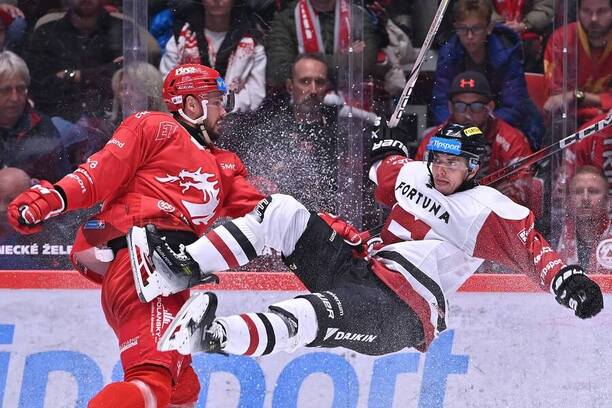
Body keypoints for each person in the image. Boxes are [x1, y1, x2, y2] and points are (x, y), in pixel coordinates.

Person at [126, 122, 603, 360]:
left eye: (453, 163)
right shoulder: (416, 174)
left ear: (474, 167)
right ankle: (180, 267)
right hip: (359, 264)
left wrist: (570, 281)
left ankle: (213, 337)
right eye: (437, 157)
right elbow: (386, 167)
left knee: (306, 313)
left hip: (399, 311)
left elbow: (537, 254)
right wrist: (386, 142)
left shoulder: (491, 213)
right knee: (284, 210)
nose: (441, 169)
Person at [6, 63, 264, 407]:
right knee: (152, 384)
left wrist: (328, 232)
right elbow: (98, 174)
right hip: (142, 267)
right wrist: (51, 199)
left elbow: (268, 215)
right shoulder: (155, 127)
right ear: (191, 105)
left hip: (167, 275)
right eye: (217, 100)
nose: (225, 110)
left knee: (182, 390)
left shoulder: (225, 166)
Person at [416, 71, 540, 214]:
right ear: (450, 107)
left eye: (476, 106)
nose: (468, 113)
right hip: (440, 212)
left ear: (490, 107)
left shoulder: (512, 140)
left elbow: (522, 190)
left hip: (491, 215)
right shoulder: (434, 140)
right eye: (460, 106)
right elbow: (419, 183)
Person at [432, 0, 545, 148]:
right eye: (462, 29)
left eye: (476, 28)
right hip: (459, 125)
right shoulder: (449, 53)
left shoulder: (507, 51)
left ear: (489, 28)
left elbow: (515, 104)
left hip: (503, 124)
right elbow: (440, 102)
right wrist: (458, 128)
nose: (470, 36)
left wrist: (483, 126)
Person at [159, 0, 266, 112]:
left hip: (235, 119)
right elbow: (166, 82)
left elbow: (256, 94)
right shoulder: (181, 37)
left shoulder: (252, 42)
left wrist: (218, 106)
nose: (217, 0)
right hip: (187, 116)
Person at [0, 50, 71, 182]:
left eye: (21, 89)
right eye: (6, 90)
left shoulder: (42, 126)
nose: (15, 98)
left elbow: (62, 182)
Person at [543, 0, 612, 125]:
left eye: (602, 11)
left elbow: (568, 98)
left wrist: (578, 96)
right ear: (578, 11)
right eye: (586, 11)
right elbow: (557, 100)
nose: (594, 19)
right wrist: (600, 104)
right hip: (572, 123)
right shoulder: (561, 39)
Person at [557, 166, 611, 273]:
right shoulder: (555, 236)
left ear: (608, 202)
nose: (585, 198)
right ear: (569, 200)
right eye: (578, 192)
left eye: (593, 191)